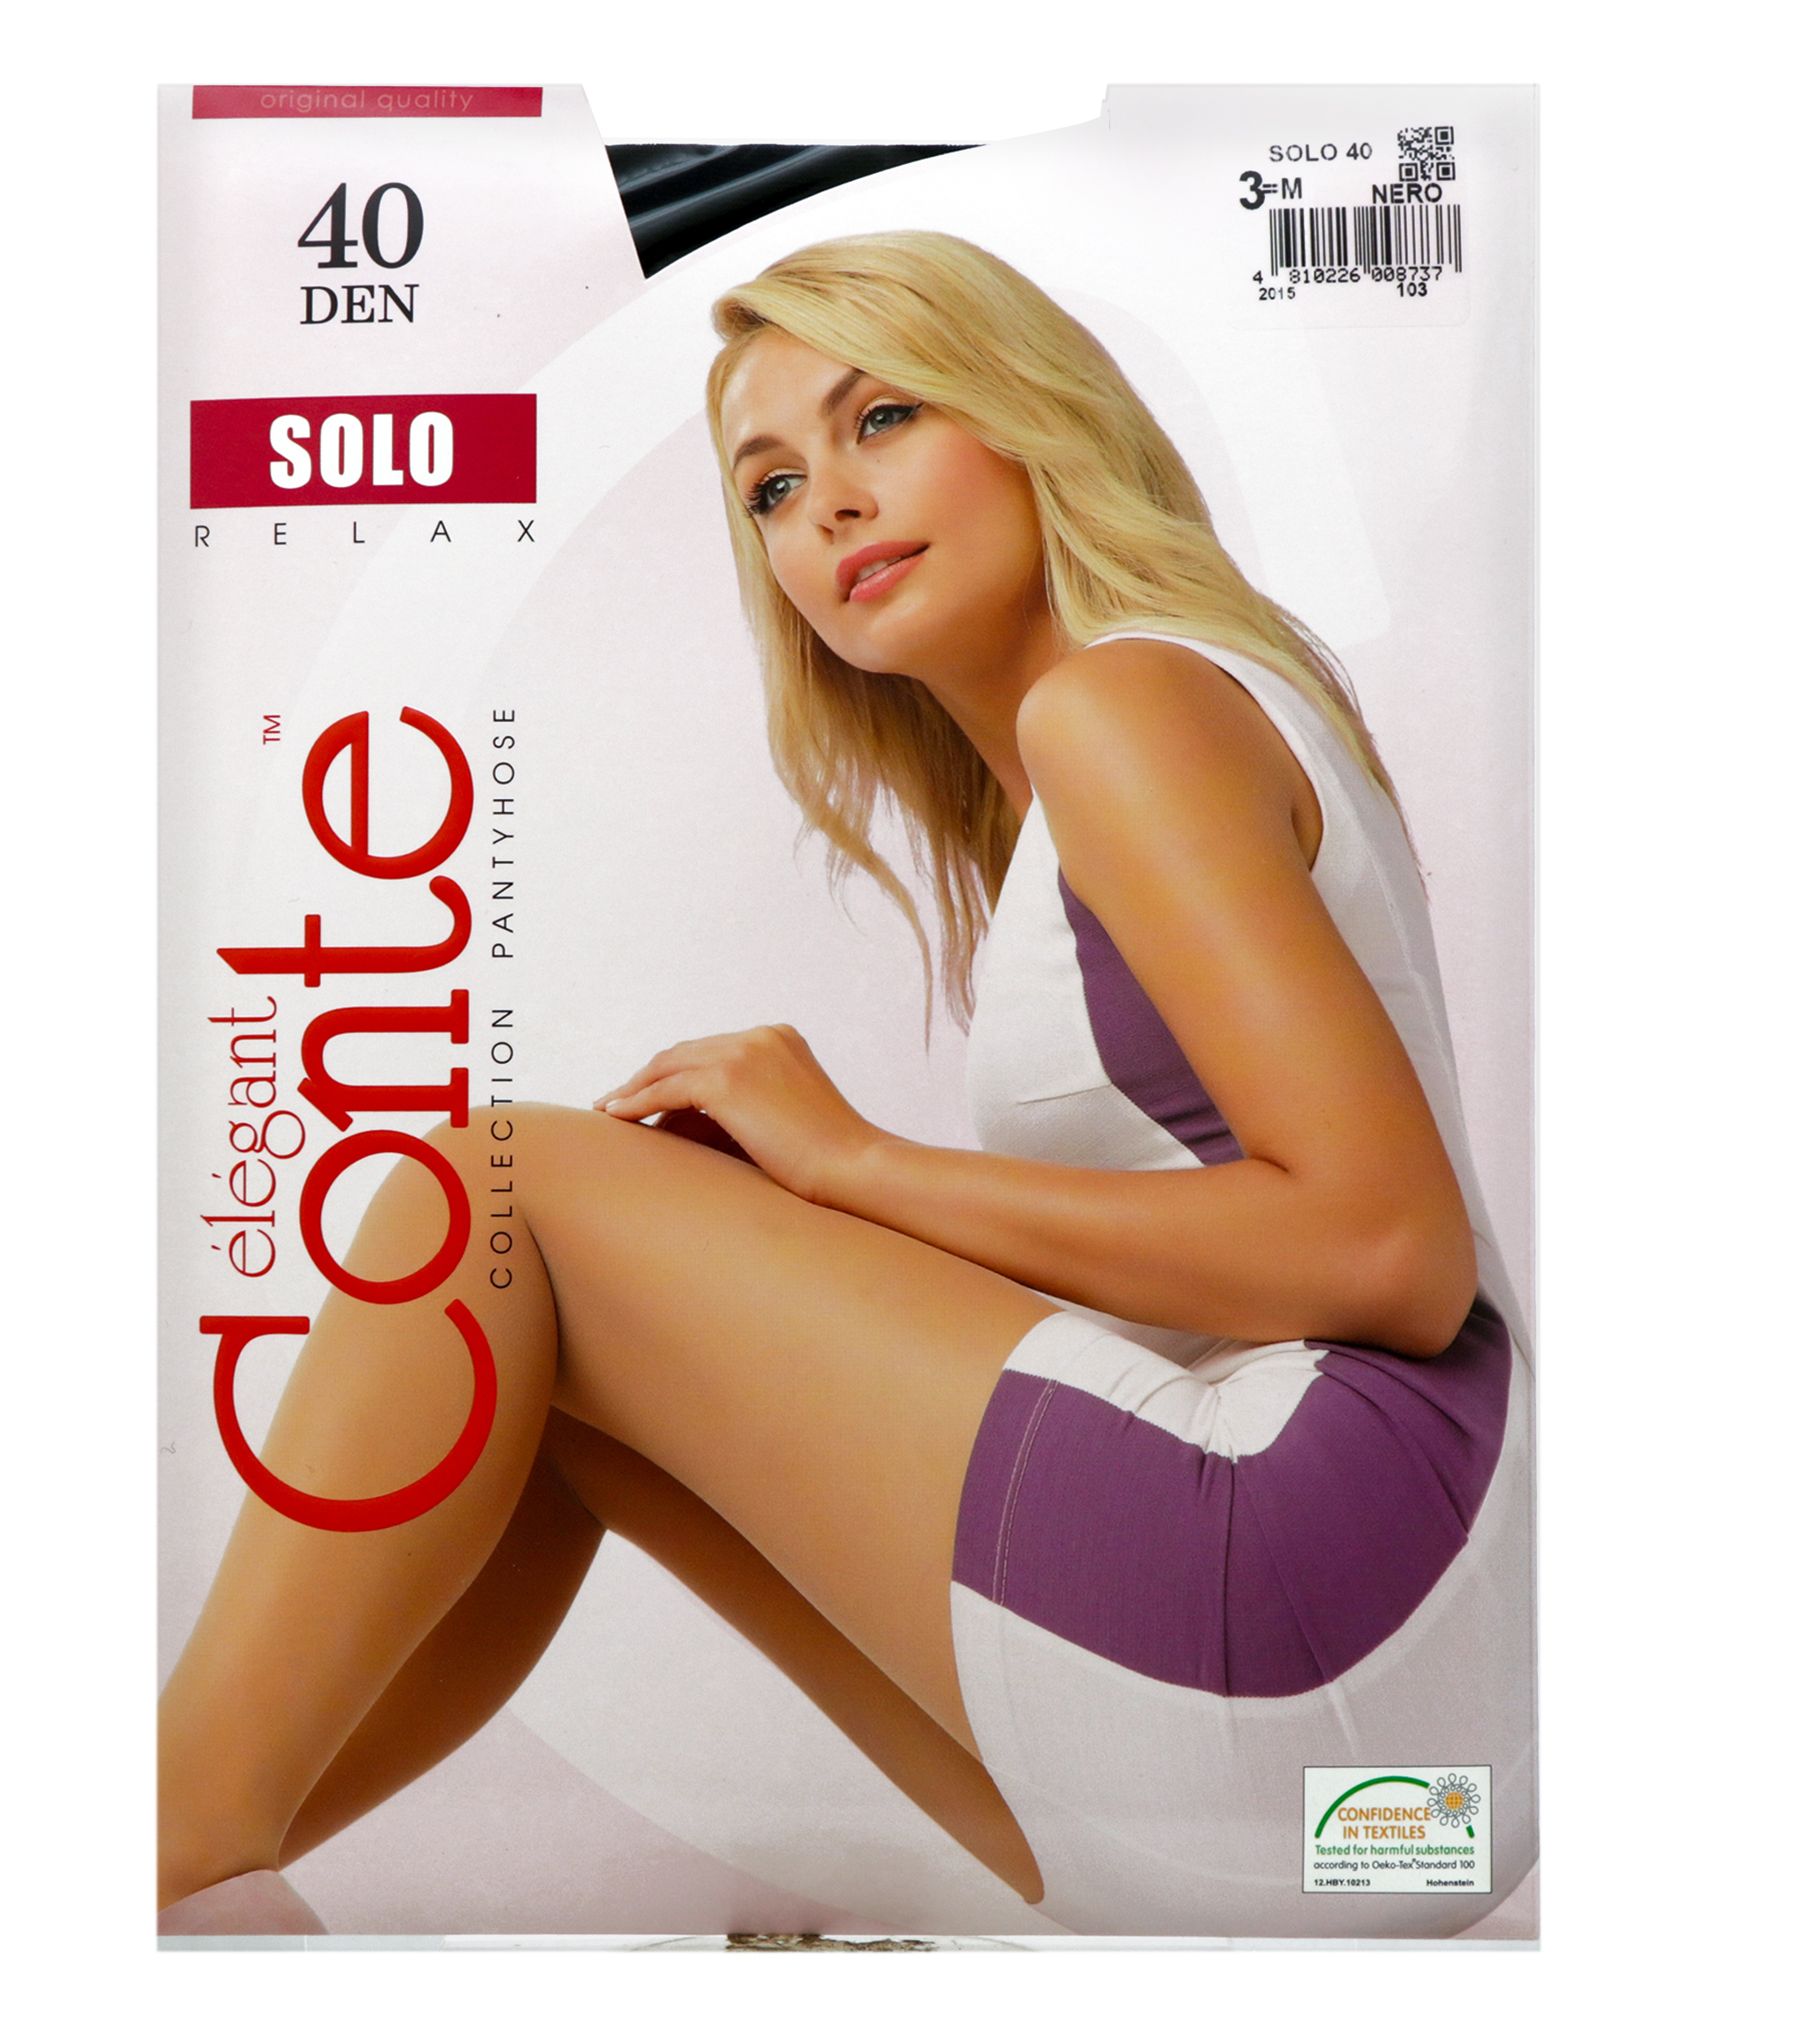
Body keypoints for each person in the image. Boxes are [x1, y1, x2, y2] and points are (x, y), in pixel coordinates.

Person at [158, 231, 1533, 1938]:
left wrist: (852, 1166)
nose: (830, 506)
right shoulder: (1156, 731)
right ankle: (187, 1879)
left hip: (1325, 1601)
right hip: (1407, 1771)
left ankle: (154, 1856)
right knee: (544, 1379)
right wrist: (783, 1226)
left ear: (1032, 413)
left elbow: (1389, 1258)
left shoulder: (1126, 706)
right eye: (772, 488)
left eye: (883, 416)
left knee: (501, 1195)